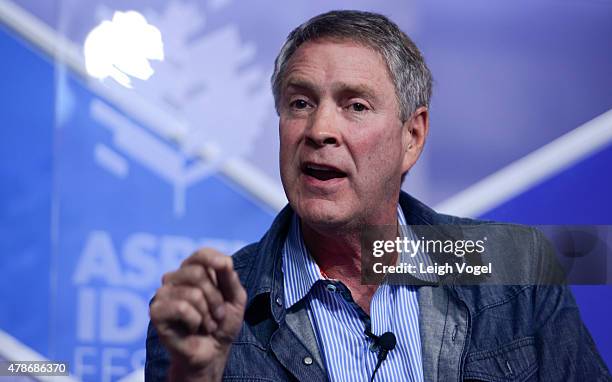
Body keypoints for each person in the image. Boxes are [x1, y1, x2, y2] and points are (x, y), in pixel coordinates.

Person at [145, 10, 611, 381]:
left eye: (356, 106)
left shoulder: (517, 267)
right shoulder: (212, 311)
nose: (320, 130)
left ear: (412, 136)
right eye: (300, 103)